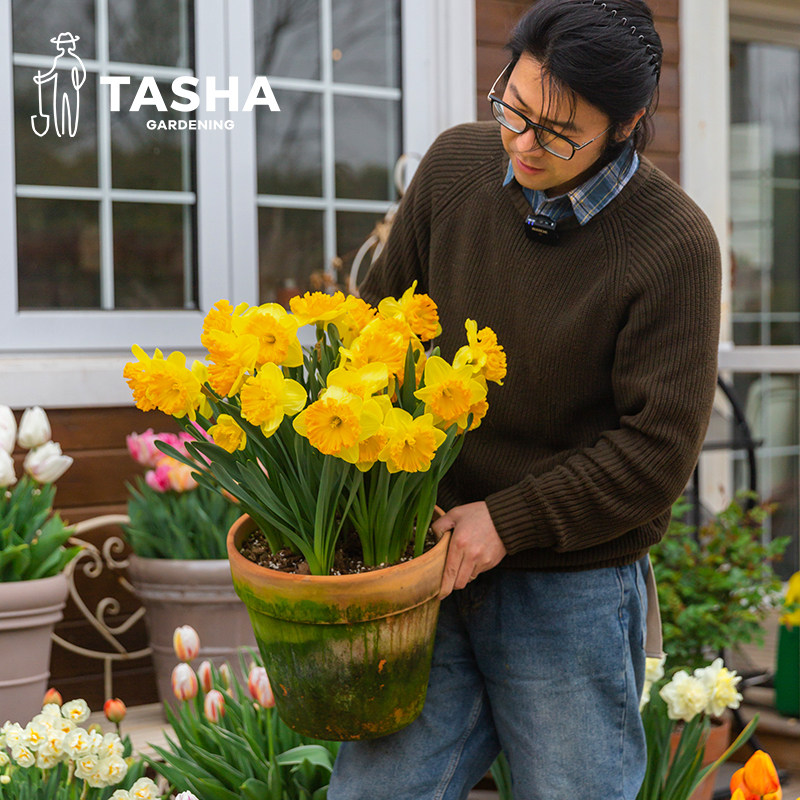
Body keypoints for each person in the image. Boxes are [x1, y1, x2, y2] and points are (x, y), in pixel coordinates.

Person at [329, 0, 721, 798]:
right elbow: (373, 333)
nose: (523, 142)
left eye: (559, 131)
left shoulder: (675, 245)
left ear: (628, 122)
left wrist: (505, 522)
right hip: (427, 564)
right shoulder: (453, 170)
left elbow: (657, 453)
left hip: (571, 588)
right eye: (514, 105)